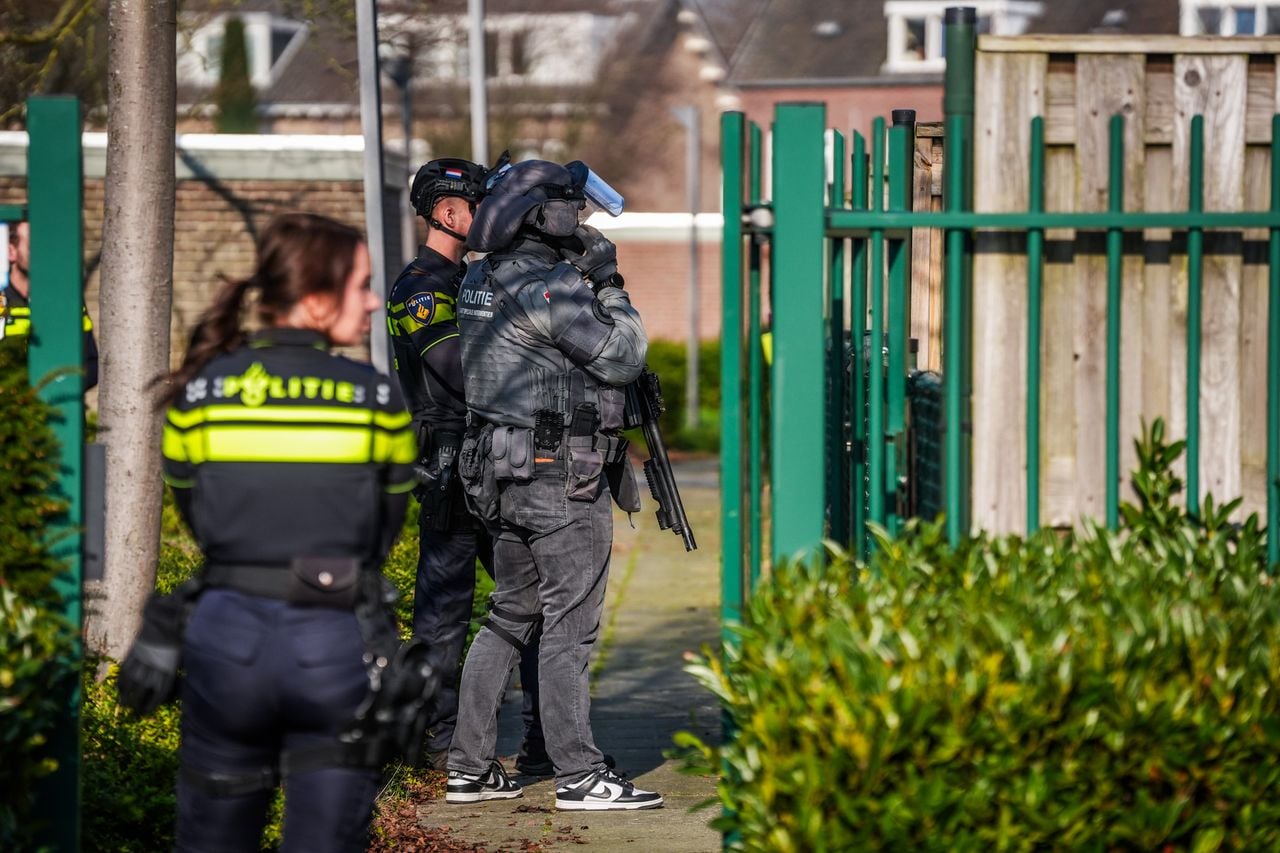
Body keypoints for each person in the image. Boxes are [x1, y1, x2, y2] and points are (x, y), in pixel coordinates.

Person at [156, 213, 417, 851]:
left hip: (226, 639)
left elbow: (196, 516)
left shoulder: (199, 393)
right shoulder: (376, 399)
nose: (374, 301)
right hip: (332, 640)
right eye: (362, 285)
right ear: (316, 296)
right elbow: (383, 533)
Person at [446, 159, 662, 810]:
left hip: (497, 469)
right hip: (558, 475)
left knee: (510, 615)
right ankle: (579, 774)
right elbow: (624, 353)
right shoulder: (549, 285)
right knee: (570, 625)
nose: (585, 221)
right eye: (577, 210)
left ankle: (469, 766)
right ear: (549, 213)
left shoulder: (479, 277)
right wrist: (609, 279)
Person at [386, 157, 547, 773]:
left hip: (494, 463)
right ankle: (440, 743)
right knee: (445, 613)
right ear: (449, 214)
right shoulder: (422, 288)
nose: (492, 219)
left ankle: (542, 741)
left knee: (528, 603)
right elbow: (462, 373)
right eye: (481, 206)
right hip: (452, 469)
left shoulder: (474, 282)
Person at [1, 218, 99, 389]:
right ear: (11, 252)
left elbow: (91, 366)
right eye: (33, 246)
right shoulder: (2, 305)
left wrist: (55, 388)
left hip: (60, 410)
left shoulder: (68, 302)